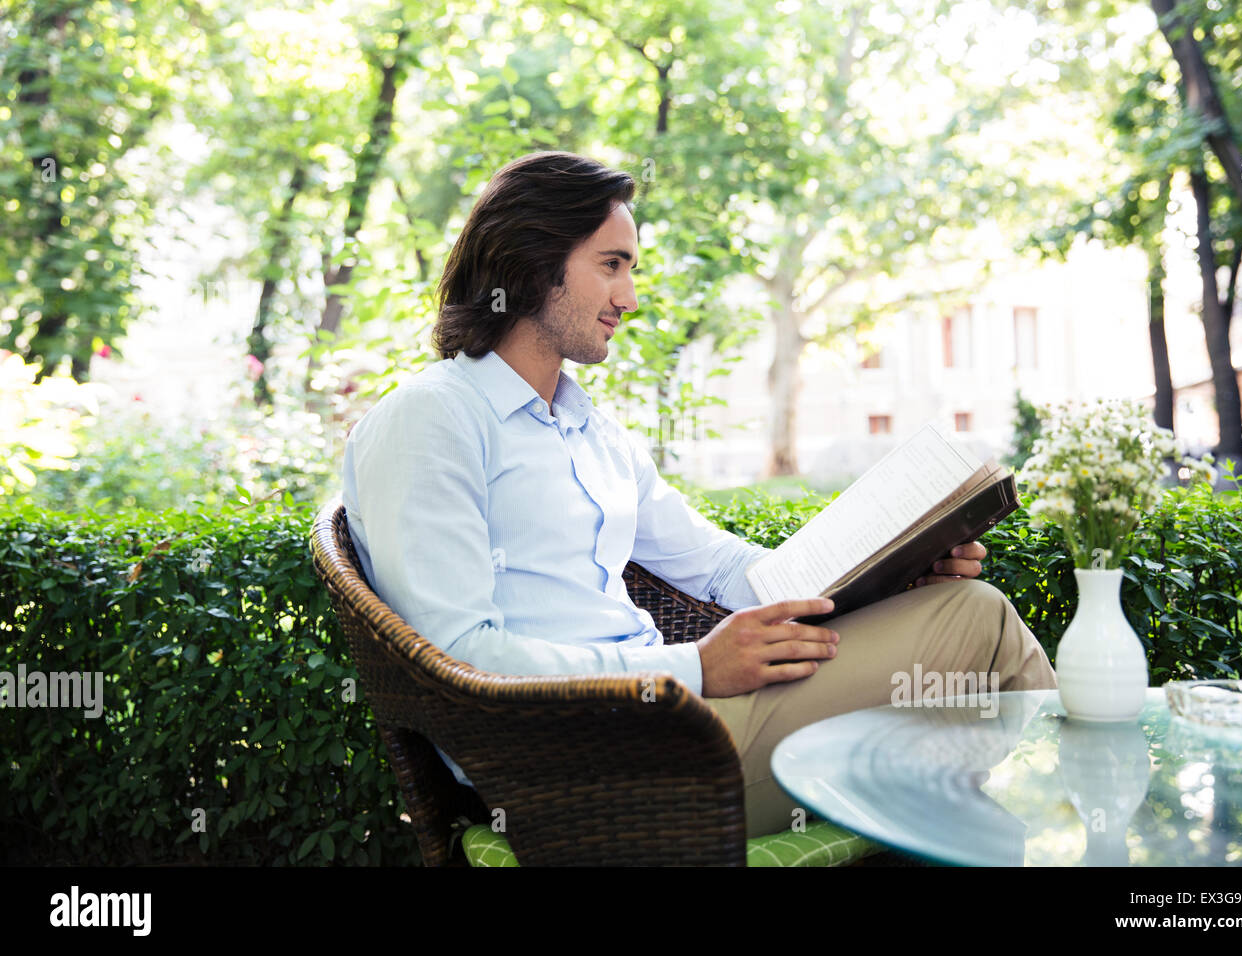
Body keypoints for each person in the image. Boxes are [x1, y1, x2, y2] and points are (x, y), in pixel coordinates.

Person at [341, 151, 1057, 839]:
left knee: (950, 609)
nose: (630, 297)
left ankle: (1040, 830)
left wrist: (890, 574)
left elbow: (715, 566)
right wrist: (695, 666)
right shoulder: (431, 419)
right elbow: (464, 655)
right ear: (530, 262)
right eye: (612, 265)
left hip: (683, 721)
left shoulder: (589, 427)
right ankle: (1086, 833)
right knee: (978, 620)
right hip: (583, 772)